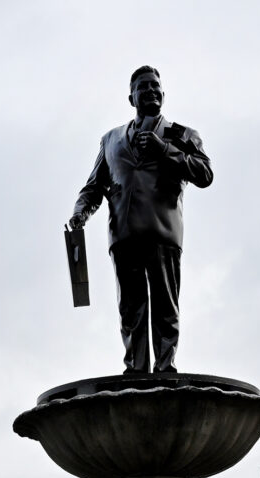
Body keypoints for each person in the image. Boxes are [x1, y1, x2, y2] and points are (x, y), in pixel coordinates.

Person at [68, 65, 213, 374]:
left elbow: (205, 174)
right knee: (130, 310)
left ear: (163, 93)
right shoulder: (110, 140)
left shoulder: (180, 134)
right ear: (131, 97)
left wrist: (166, 151)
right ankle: (135, 369)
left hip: (163, 233)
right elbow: (94, 186)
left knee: (164, 308)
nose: (150, 91)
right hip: (123, 235)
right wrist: (81, 212)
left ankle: (164, 369)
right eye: (143, 87)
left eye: (155, 86)